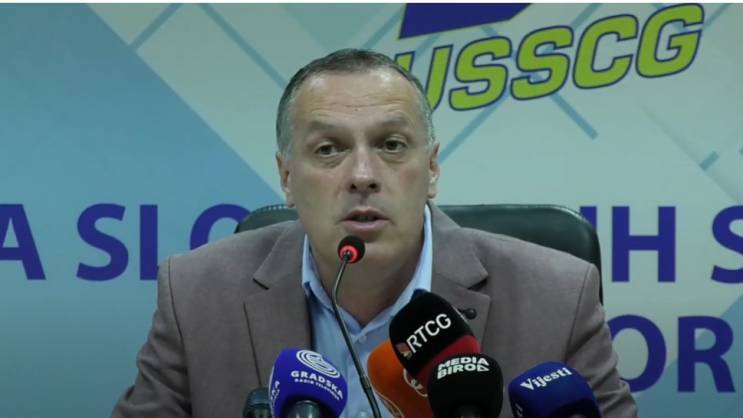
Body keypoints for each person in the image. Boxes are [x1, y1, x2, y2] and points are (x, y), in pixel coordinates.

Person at [111, 49, 637, 418]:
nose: (363, 175)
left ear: (431, 169)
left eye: (391, 145)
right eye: (329, 149)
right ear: (287, 178)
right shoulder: (196, 294)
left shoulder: (559, 297)